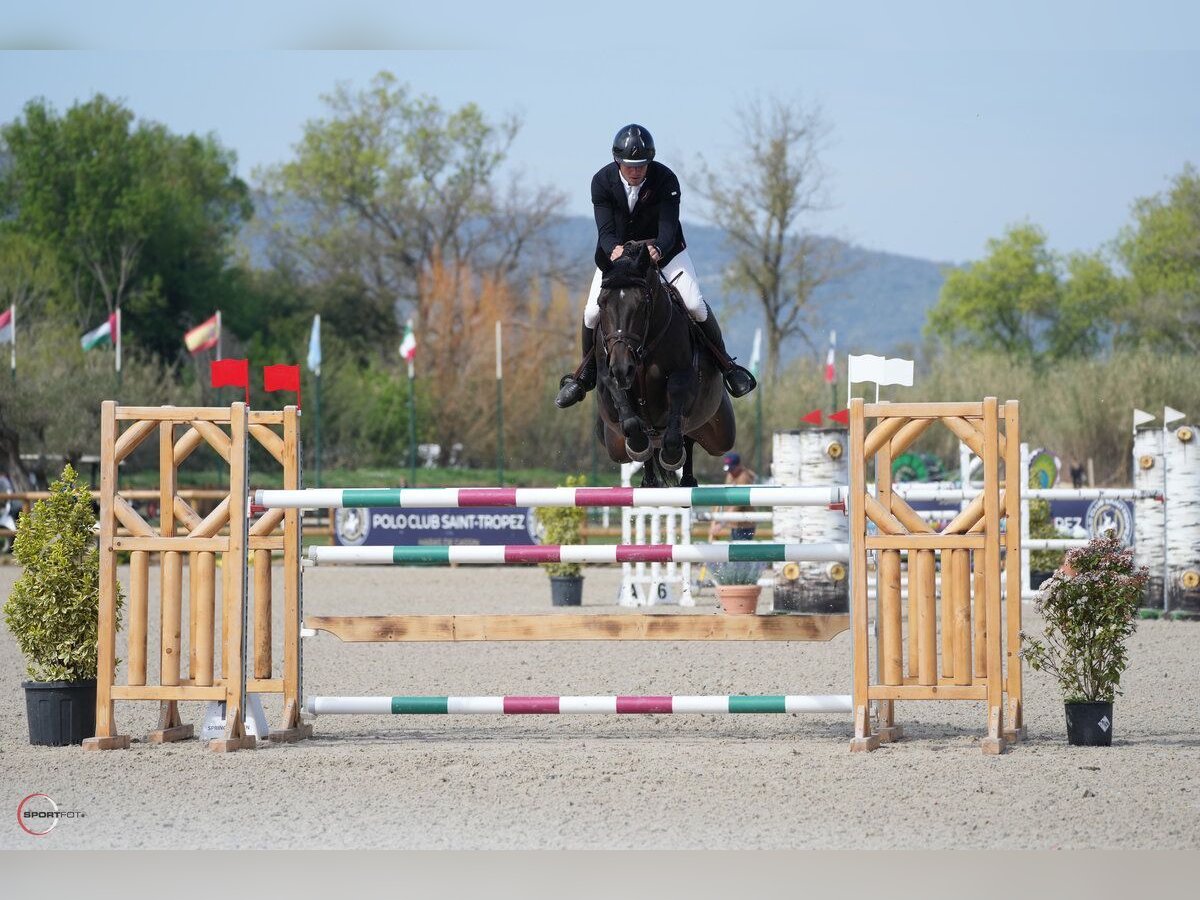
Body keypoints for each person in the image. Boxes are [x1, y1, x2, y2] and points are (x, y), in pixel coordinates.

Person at [555, 123, 757, 408]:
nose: (636, 171)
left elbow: (668, 228)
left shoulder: (665, 179)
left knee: (695, 304)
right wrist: (615, 250)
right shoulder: (601, 182)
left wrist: (658, 248)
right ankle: (585, 375)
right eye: (629, 165)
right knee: (591, 313)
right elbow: (605, 231)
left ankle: (727, 366)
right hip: (619, 259)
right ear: (618, 161)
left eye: (641, 165)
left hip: (666, 252)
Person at [708, 452, 758, 542]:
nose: (730, 472)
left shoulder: (744, 478)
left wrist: (721, 524)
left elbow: (738, 504)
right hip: (735, 523)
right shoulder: (730, 475)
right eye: (728, 469)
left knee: (740, 553)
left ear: (739, 465)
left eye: (732, 469)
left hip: (745, 524)